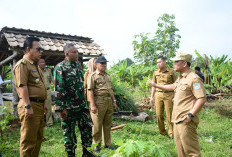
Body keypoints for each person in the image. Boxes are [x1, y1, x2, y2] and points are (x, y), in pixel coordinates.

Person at [149, 52, 206, 157]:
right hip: (177, 119)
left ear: (184, 64)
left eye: (176, 62)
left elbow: (201, 98)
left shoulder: (193, 78)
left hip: (186, 120)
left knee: (192, 152)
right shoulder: (181, 78)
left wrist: (190, 115)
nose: (174, 64)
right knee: (181, 151)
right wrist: (155, 85)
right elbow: (172, 87)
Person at [54, 43, 94, 157]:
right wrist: (61, 108)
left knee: (87, 128)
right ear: (67, 54)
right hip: (69, 107)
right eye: (74, 52)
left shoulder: (78, 65)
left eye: (77, 52)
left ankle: (87, 152)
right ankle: (71, 154)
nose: (77, 54)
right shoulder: (60, 67)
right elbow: (59, 89)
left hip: (81, 105)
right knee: (69, 132)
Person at [13, 36, 48, 157]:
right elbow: (22, 87)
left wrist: (43, 104)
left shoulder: (34, 66)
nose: (41, 51)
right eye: (38, 49)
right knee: (28, 141)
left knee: (37, 139)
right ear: (28, 49)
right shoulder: (22, 65)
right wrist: (28, 106)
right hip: (30, 105)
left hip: (38, 105)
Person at [87, 56, 117, 152]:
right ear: (96, 65)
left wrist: (114, 101)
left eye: (105, 63)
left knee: (107, 124)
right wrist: (93, 105)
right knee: (97, 124)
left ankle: (107, 143)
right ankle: (96, 144)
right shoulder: (92, 76)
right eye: (102, 63)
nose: (104, 65)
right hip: (99, 101)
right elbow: (90, 91)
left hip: (108, 101)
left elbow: (111, 90)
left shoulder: (107, 76)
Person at [150, 56, 177, 138]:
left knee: (170, 115)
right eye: (157, 62)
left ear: (165, 62)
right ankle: (162, 132)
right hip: (158, 95)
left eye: (160, 62)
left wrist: (175, 96)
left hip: (169, 95)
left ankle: (171, 133)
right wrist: (152, 97)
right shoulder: (155, 72)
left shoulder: (172, 72)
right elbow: (153, 85)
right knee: (159, 115)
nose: (158, 64)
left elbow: (176, 85)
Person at [38, 58, 53, 127]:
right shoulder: (36, 71)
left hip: (47, 91)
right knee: (39, 107)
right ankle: (40, 123)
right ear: (38, 63)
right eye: (41, 62)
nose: (43, 63)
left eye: (44, 62)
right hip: (39, 91)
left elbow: (50, 80)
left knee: (48, 106)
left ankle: (49, 122)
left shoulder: (48, 70)